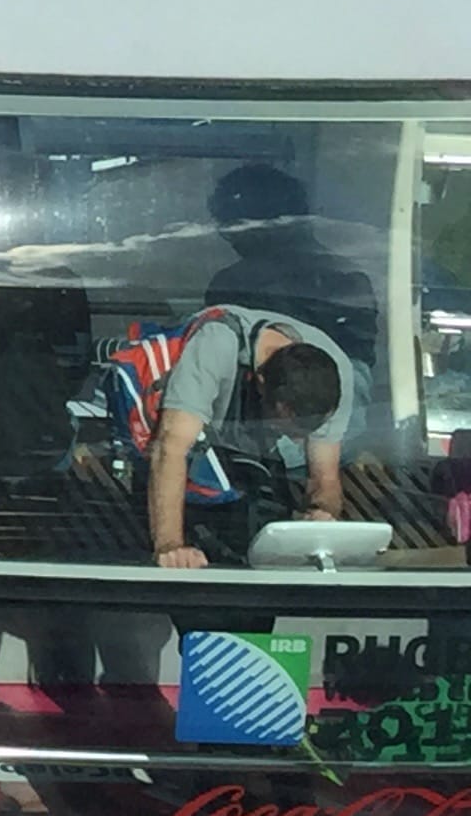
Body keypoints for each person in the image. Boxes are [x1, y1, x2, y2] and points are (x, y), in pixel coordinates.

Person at [146, 305, 357, 569]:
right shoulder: (215, 345)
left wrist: (322, 515)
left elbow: (325, 477)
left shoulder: (337, 373)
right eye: (287, 430)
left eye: (307, 433)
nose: (296, 443)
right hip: (182, 465)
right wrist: (170, 546)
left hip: (247, 475)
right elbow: (170, 448)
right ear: (260, 384)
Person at [202, 165, 380, 368]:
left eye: (234, 227)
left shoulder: (233, 284)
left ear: (274, 224)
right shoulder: (351, 281)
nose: (229, 239)